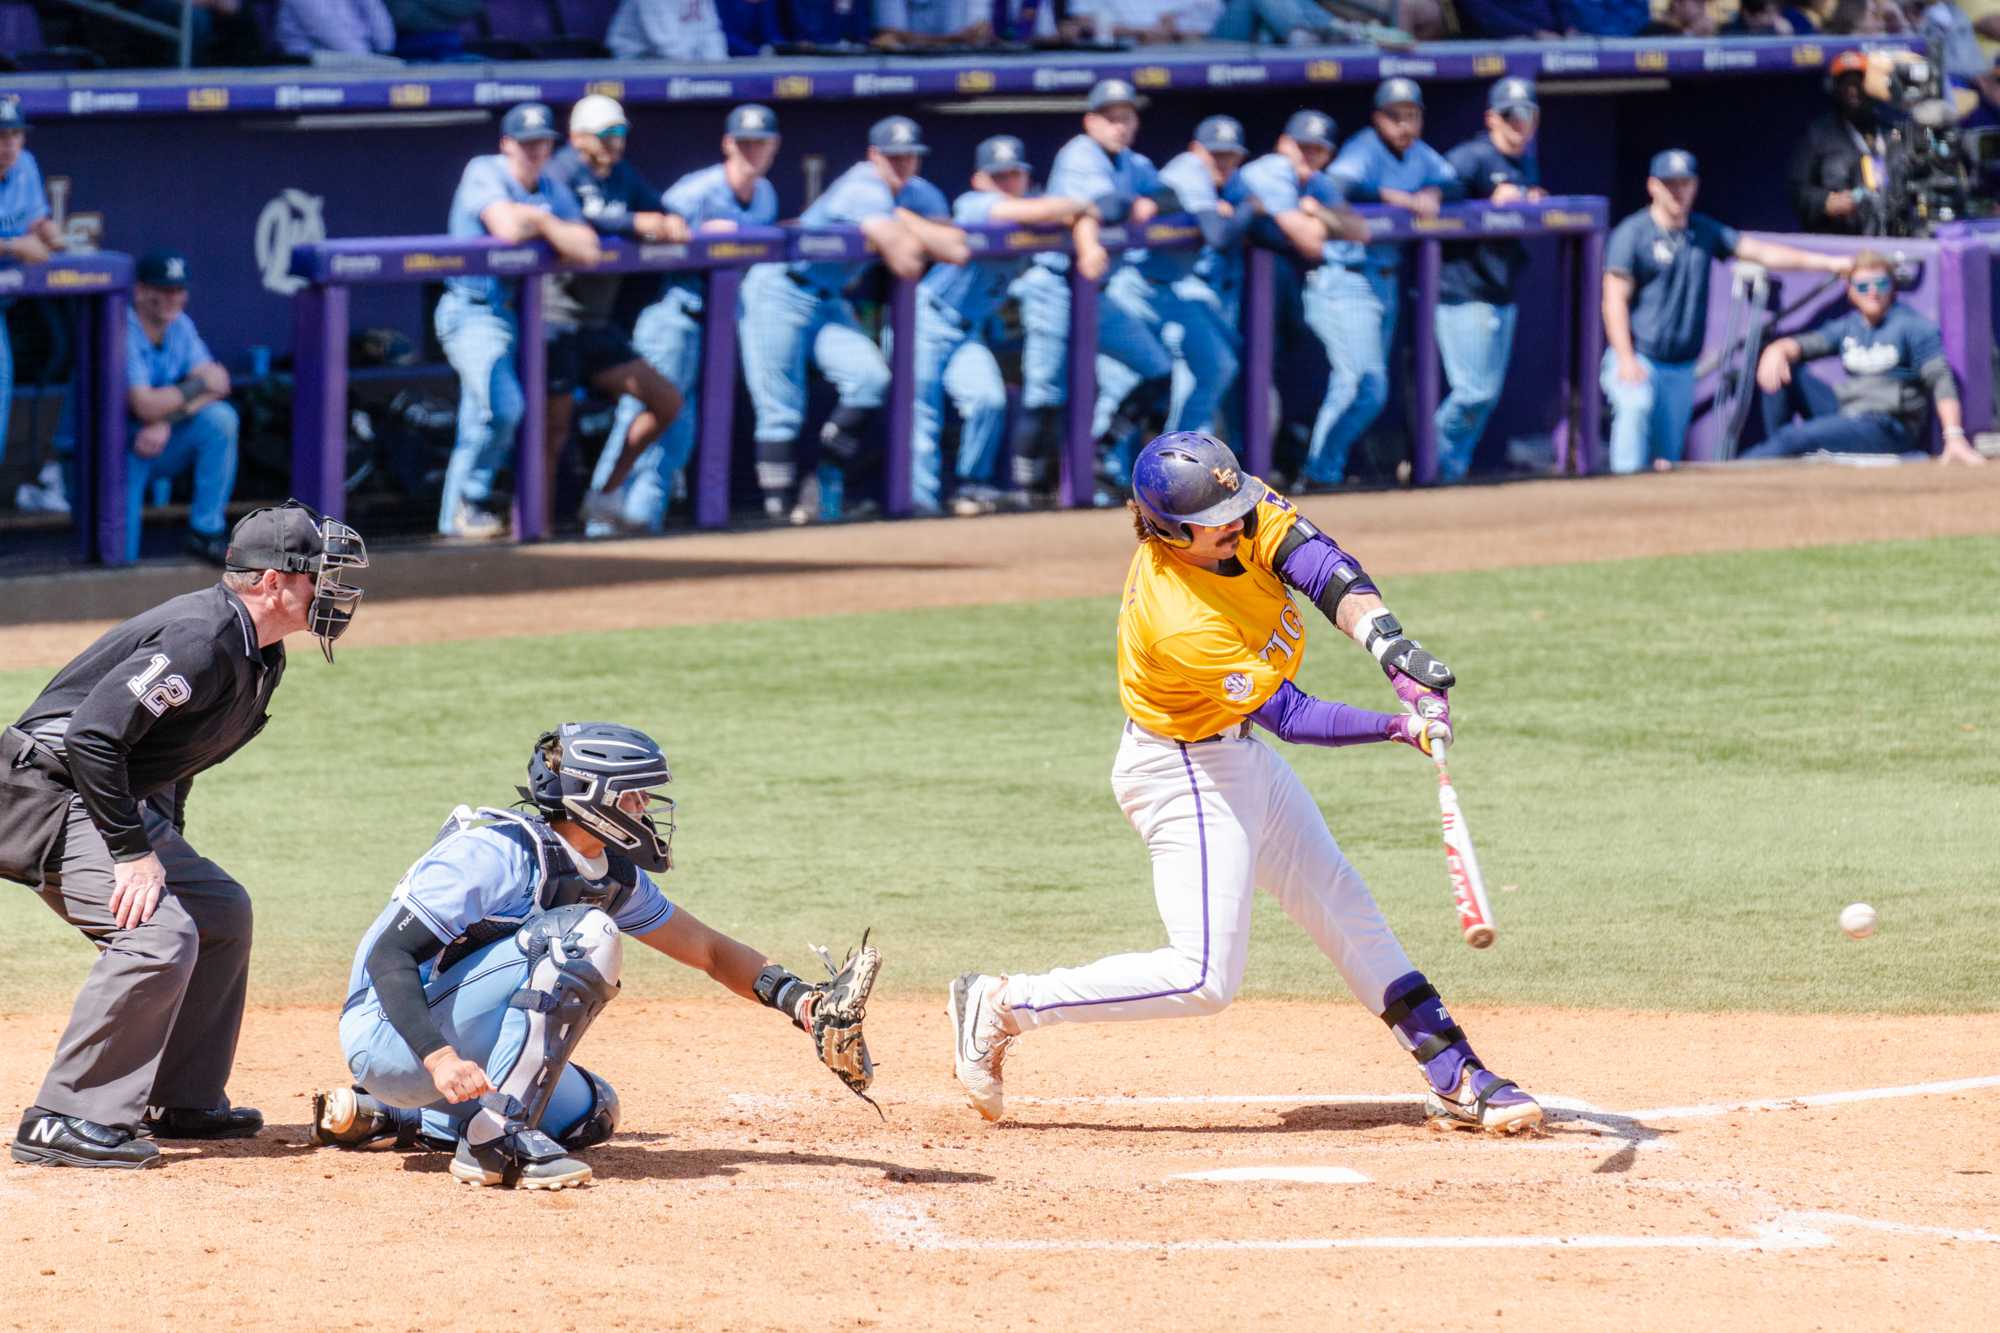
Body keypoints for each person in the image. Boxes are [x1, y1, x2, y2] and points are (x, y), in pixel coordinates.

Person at [947, 432, 1541, 1136]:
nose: (1239, 521)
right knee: (1202, 977)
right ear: (1170, 530)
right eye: (1218, 518)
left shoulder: (1234, 513)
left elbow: (1319, 566)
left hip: (1235, 757)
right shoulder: (1176, 616)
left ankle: (1456, 1072)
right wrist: (1398, 727)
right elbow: (1290, 713)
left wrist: (1391, 648)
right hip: (1181, 771)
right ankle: (1000, 1003)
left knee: (1345, 907)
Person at [307, 722, 878, 1190]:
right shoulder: (496, 853)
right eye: (634, 794)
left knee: (590, 1114)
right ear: (592, 799)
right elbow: (388, 957)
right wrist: (438, 1061)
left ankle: (392, 1116)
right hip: (391, 1038)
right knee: (583, 935)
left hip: (443, 1052)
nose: (646, 806)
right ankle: (492, 1140)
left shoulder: (608, 875)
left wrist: (801, 1001)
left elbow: (707, 950)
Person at [4, 502, 367, 1170]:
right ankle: (65, 1115)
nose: (334, 589)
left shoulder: (261, 654)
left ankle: (179, 1095)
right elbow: (93, 735)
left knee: (219, 910)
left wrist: (163, 842)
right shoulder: (202, 636)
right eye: (320, 573)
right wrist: (132, 853)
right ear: (270, 582)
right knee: (156, 936)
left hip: (106, 796)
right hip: (49, 795)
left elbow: (174, 753)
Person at [738, 115, 968, 525]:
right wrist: (910, 224)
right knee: (780, 409)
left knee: (870, 378)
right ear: (874, 156)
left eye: (910, 157)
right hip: (780, 290)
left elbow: (958, 248)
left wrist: (904, 219)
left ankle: (821, 484)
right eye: (893, 157)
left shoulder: (917, 192)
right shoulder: (861, 185)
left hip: (829, 300)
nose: (902, 165)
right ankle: (776, 513)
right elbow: (909, 261)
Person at [1601, 149, 1849, 474]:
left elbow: (1759, 252)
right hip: (1640, 356)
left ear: (1695, 186)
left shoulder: (1703, 231)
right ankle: (1616, 504)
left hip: (1681, 366)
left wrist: (1829, 263)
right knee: (1634, 412)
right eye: (1669, 184)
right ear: (1653, 186)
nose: (1677, 191)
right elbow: (1613, 299)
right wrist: (1626, 357)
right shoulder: (1632, 233)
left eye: (1684, 183)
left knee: (1667, 461)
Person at [595, 105, 781, 535]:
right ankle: (600, 526)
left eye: (762, 143)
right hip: (671, 318)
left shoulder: (766, 194)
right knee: (638, 421)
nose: (753, 151)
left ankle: (642, 527)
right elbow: (649, 236)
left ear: (774, 146)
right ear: (728, 144)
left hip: (716, 325)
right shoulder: (696, 191)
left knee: (678, 435)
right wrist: (693, 236)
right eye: (745, 143)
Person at [434, 103, 601, 539]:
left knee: (481, 420)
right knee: (504, 406)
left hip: (513, 316)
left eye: (542, 142)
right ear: (507, 144)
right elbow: (506, 229)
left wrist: (540, 219)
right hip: (470, 310)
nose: (535, 151)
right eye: (525, 143)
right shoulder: (484, 171)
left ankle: (457, 516)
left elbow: (586, 248)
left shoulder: (549, 186)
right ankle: (472, 498)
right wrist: (547, 223)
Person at [1007, 80, 1173, 505]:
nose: (1120, 126)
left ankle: (1099, 452)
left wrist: (1149, 203)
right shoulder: (1079, 153)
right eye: (1111, 118)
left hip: (1096, 291)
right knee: (1045, 393)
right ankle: (1029, 490)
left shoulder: (1131, 162)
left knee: (1157, 371)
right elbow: (1111, 207)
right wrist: (1137, 203)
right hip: (1055, 286)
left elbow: (1170, 196)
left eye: (1127, 117)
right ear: (1091, 121)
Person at [909, 137, 1090, 516]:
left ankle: (971, 486)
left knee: (988, 400)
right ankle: (918, 503)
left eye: (1014, 174)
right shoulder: (973, 203)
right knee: (922, 414)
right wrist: (1082, 204)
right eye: (999, 176)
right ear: (980, 179)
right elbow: (1019, 212)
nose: (1008, 181)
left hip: (967, 329)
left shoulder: (1035, 211)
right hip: (928, 318)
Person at [540, 95, 686, 537]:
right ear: (579, 137)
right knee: (555, 426)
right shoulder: (560, 170)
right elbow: (575, 217)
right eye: (606, 134)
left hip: (599, 325)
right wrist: (635, 223)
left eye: (620, 133)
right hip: (555, 319)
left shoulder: (622, 174)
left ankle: (605, 494)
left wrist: (670, 221)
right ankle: (534, 526)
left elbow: (659, 210)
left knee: (666, 401)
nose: (615, 143)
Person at [1316, 78, 1461, 488]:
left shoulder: (1419, 154)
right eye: (1395, 117)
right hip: (1348, 276)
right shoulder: (1364, 148)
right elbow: (1338, 185)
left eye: (1412, 115)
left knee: (1358, 386)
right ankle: (1318, 472)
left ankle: (1321, 471)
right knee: (1362, 385)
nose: (1404, 125)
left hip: (1385, 281)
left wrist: (1432, 189)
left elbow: (1453, 182)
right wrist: (1400, 198)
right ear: (1379, 119)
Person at [1746, 251, 1985, 463]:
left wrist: (1954, 436)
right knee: (1782, 367)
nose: (1872, 293)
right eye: (1863, 286)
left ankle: (1754, 466)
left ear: (1892, 287)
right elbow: (1804, 344)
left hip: (1887, 425)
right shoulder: (1850, 326)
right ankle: (1777, 453)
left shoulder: (1913, 326)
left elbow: (1941, 380)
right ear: (1850, 292)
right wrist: (1776, 350)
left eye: (1880, 284)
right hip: (1846, 413)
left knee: (1795, 436)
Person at [1236, 110, 1371, 482]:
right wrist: (1320, 220)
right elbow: (1312, 244)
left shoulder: (1314, 181)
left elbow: (1361, 230)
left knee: (1261, 380)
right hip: (1220, 286)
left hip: (1266, 292)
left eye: (1318, 149)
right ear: (1284, 143)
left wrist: (1318, 213)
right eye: (1302, 146)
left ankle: (1261, 471)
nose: (1308, 155)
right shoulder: (1272, 170)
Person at [1101, 115, 1252, 443]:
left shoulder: (1234, 178)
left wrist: (1241, 209)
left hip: (1172, 289)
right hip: (1134, 283)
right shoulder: (1189, 169)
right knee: (1123, 383)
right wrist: (1248, 210)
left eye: (1231, 154)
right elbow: (1219, 236)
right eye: (1216, 154)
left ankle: (1179, 454)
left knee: (1218, 366)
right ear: (1197, 150)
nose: (1224, 162)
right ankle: (1106, 473)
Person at [1434, 77, 1545, 485]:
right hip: (1462, 290)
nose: (1520, 123)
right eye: (1511, 115)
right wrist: (1482, 206)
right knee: (1472, 393)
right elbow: (1433, 201)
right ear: (1492, 118)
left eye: (1528, 114)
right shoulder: (1470, 158)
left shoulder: (1524, 161)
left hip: (1500, 289)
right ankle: (1431, 459)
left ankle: (1449, 470)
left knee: (1485, 396)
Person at [124, 251, 237, 565]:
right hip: (112, 452)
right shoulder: (121, 327)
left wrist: (166, 420)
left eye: (178, 290)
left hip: (156, 441)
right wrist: (196, 387)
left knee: (220, 420)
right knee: (119, 553)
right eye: (163, 289)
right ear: (140, 290)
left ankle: (205, 531)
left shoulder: (180, 326)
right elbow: (144, 405)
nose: (173, 298)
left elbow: (220, 384)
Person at [1, 100, 67, 517]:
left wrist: (48, 231)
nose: (8, 144)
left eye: (14, 134)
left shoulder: (25, 165)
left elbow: (36, 220)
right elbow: (19, 240)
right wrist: (10, 246)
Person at [1787, 52, 1891, 236]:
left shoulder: (1890, 131)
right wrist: (1825, 202)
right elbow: (1797, 190)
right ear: (1834, 89)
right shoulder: (1819, 134)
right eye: (1846, 83)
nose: (1853, 90)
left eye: (1858, 82)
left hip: (1890, 232)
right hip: (1841, 236)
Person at [606, 0, 731, 59]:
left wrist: (720, 71)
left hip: (683, 60)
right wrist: (700, 77)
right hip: (635, 62)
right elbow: (665, 44)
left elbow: (711, 33)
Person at [274, 0, 397, 58]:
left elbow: (385, 43)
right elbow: (343, 45)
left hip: (357, 62)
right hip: (309, 69)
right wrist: (380, 64)